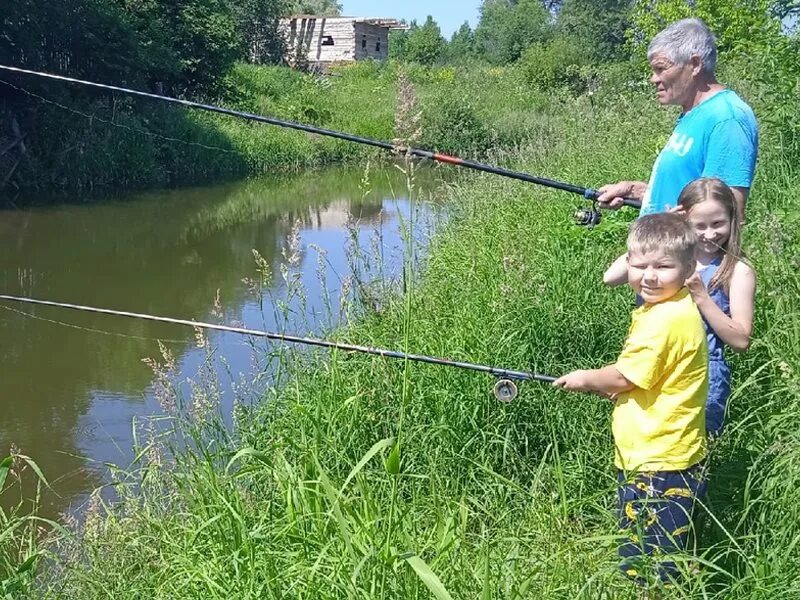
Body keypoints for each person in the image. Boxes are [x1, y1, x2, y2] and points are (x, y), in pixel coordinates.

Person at [554, 213, 708, 583]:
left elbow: (624, 376)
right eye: (639, 265)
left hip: (659, 458)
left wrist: (586, 379)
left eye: (663, 266)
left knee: (650, 558)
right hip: (661, 449)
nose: (649, 276)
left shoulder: (665, 321)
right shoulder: (670, 307)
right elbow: (649, 377)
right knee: (655, 546)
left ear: (688, 267)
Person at [597, 18, 758, 221]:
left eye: (661, 68)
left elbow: (724, 215)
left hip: (681, 253)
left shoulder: (727, 118)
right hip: (658, 250)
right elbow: (685, 197)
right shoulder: (692, 114)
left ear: (695, 64)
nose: (653, 79)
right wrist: (634, 191)